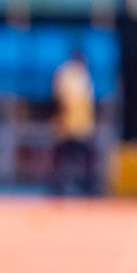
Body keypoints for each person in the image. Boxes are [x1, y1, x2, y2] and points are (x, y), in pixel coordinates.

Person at [50, 49, 97, 195]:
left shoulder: (84, 75)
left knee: (84, 157)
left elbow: (87, 103)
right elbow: (58, 100)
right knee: (62, 156)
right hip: (67, 124)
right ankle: (58, 185)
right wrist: (61, 121)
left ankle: (86, 185)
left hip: (82, 125)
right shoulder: (65, 74)